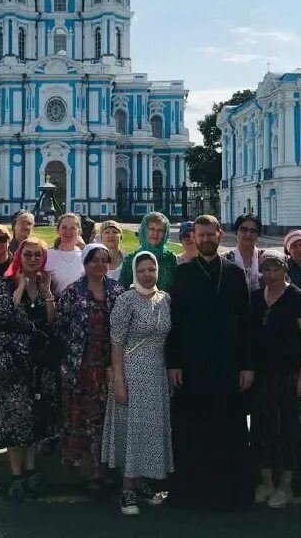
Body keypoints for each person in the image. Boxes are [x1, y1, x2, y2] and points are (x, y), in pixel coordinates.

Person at [167, 214, 254, 510]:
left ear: (219, 235)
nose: (204, 240)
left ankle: (230, 493)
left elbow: (246, 322)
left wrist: (246, 365)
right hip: (192, 363)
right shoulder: (183, 273)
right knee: (192, 428)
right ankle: (191, 492)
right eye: (199, 235)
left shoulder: (233, 273)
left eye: (209, 235)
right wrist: (174, 363)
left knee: (227, 428)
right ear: (194, 237)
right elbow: (174, 322)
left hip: (227, 363)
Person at [102, 251, 172, 515]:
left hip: (156, 375)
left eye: (151, 269)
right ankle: (127, 489)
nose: (147, 274)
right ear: (134, 272)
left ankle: (142, 482)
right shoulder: (126, 300)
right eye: (142, 270)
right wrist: (118, 381)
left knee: (149, 430)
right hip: (131, 374)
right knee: (131, 430)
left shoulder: (165, 300)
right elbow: (116, 343)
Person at [0, 238, 58, 501]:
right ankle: (16, 474)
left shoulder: (44, 283)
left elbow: (52, 320)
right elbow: (4, 316)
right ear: (19, 256)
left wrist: (48, 293)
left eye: (37, 255)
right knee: (13, 418)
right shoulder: (4, 282)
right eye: (28, 254)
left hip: (38, 362)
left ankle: (31, 471)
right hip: (11, 363)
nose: (32, 259)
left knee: (34, 419)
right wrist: (20, 286)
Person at [250, 253, 301, 508]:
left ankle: (286, 483)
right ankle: (266, 480)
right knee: (262, 427)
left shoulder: (297, 298)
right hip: (262, 376)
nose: (270, 274)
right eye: (265, 269)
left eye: (275, 268)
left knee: (289, 429)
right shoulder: (257, 298)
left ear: (284, 269)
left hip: (288, 375)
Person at [57, 245, 124, 491]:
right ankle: (89, 474)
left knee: (104, 421)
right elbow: (61, 327)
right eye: (94, 260)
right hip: (80, 368)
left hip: (108, 366)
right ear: (85, 263)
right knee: (81, 419)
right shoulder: (73, 292)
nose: (99, 264)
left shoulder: (117, 291)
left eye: (104, 260)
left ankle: (106, 471)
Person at [118, 212, 178, 293]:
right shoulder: (132, 259)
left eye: (160, 230)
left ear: (165, 234)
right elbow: (122, 289)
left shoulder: (170, 258)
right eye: (152, 229)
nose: (155, 234)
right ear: (145, 230)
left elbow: (177, 289)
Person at [223, 214, 265, 292]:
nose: (248, 234)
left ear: (258, 235)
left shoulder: (267, 258)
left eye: (253, 231)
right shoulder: (224, 260)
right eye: (243, 229)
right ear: (236, 232)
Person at [47, 213, 84, 297]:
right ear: (58, 230)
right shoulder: (48, 255)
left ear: (79, 232)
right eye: (64, 227)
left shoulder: (84, 256)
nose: (68, 231)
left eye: (73, 228)